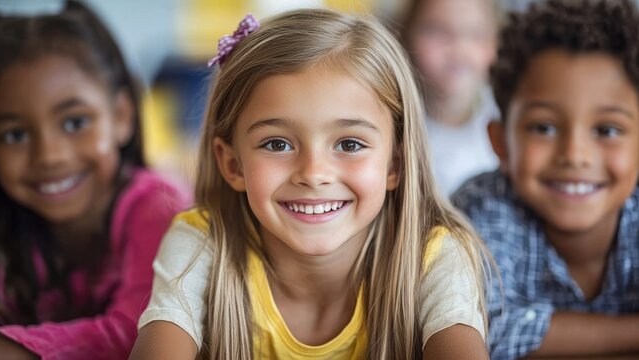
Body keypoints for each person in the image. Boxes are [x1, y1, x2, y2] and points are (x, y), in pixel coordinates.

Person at [130, 8, 490, 360]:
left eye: (349, 144)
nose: (314, 173)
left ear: (395, 163)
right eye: (277, 144)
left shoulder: (433, 256)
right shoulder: (201, 242)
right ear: (233, 164)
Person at [0, 1, 191, 359]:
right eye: (14, 135)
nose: (49, 156)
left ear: (121, 116)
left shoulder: (159, 206)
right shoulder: (9, 222)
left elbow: (140, 331)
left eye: (75, 123)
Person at [451, 0, 639, 358]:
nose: (574, 154)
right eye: (544, 127)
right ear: (501, 142)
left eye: (607, 129)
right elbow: (482, 330)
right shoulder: (483, 207)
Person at [399, 0, 501, 196]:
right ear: (406, 34)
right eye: (438, 31)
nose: (459, 50)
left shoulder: (504, 113)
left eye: (477, 34)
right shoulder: (395, 122)